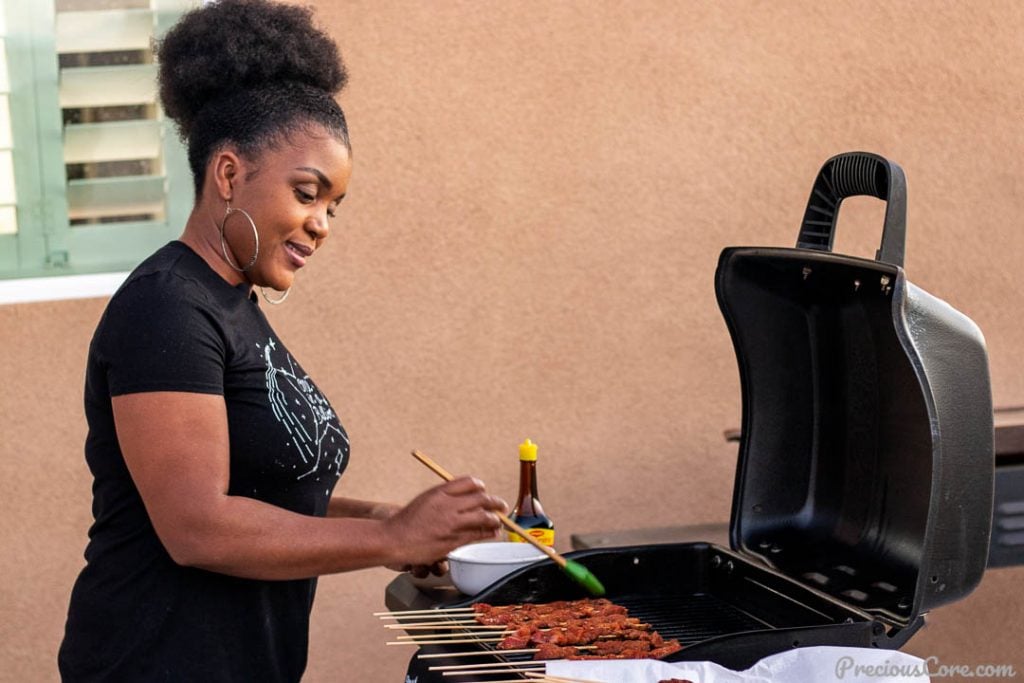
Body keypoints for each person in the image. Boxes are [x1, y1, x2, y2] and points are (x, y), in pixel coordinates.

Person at [57, 1, 506, 680]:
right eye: (307, 192)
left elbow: (268, 493)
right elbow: (197, 526)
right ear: (230, 174)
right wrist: (389, 534)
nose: (321, 222)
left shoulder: (232, 304)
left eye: (334, 205)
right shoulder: (165, 308)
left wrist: (395, 521)